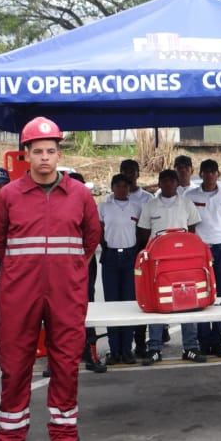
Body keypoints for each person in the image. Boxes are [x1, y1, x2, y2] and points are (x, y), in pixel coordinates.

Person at [0, 117, 102, 441]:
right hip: (18, 294)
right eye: (37, 151)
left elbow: (91, 238)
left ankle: (64, 439)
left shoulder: (80, 195)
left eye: (50, 151)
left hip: (65, 293)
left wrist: (67, 271)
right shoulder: (9, 195)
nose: (44, 158)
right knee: (14, 365)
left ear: (58, 154)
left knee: (66, 364)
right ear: (26, 154)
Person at [135, 168, 206, 364]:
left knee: (188, 299)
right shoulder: (151, 205)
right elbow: (143, 232)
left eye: (171, 181)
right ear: (159, 183)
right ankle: (154, 348)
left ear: (177, 184)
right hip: (158, 264)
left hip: (183, 261)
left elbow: (191, 230)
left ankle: (190, 347)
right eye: (163, 181)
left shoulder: (186, 203)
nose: (167, 184)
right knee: (158, 303)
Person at [185, 158, 221, 357]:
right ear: (200, 175)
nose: (209, 175)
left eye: (212, 172)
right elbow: (189, 224)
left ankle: (217, 340)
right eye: (205, 172)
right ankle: (203, 340)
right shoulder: (190, 195)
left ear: (218, 174)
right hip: (200, 250)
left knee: (220, 293)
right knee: (200, 293)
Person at [67, 170, 106, 375]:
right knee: (59, 310)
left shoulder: (87, 204)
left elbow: (94, 234)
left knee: (87, 305)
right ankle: (57, 357)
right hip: (61, 265)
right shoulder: (58, 204)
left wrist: (84, 260)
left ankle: (90, 353)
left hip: (84, 262)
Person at [99, 173, 140, 365]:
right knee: (112, 304)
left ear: (129, 188)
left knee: (129, 304)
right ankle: (114, 349)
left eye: (125, 186)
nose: (122, 189)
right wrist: (106, 247)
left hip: (130, 256)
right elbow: (99, 230)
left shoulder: (136, 207)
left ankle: (127, 349)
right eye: (118, 186)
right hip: (111, 256)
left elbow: (141, 231)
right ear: (112, 187)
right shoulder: (104, 207)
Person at [118, 158, 153, 357]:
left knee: (140, 297)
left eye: (132, 171)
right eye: (124, 170)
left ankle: (140, 343)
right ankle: (121, 346)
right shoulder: (114, 197)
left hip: (141, 252)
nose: (129, 174)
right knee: (120, 299)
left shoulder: (146, 198)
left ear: (138, 174)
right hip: (121, 252)